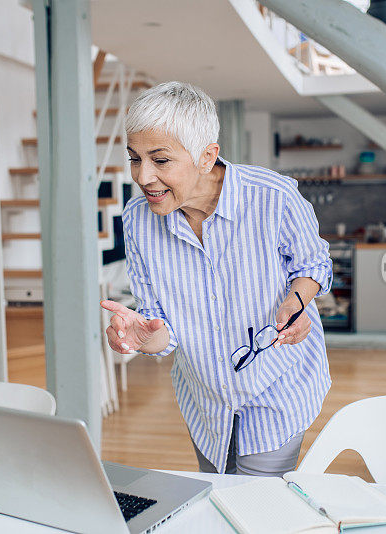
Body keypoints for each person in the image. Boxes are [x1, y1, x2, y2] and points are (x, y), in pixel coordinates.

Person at [100, 81, 332, 476]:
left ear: (207, 157)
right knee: (219, 498)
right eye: (135, 159)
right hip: (205, 399)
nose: (144, 176)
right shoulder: (138, 219)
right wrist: (146, 336)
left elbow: (314, 263)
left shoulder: (273, 197)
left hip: (276, 385)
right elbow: (161, 325)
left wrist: (296, 302)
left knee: (256, 508)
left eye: (160, 160)